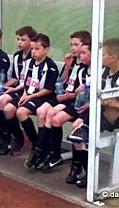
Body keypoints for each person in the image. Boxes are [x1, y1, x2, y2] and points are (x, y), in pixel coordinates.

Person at [67, 38, 119, 188]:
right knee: (76, 129)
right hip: (101, 114)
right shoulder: (104, 71)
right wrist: (84, 91)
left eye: (103, 54)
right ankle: (84, 171)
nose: (101, 57)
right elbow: (92, 89)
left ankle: (85, 127)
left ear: (113, 57)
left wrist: (116, 104)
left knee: (107, 102)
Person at [25, 31, 91, 170]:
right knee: (41, 111)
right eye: (71, 44)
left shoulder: (87, 65)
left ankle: (47, 152)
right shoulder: (72, 60)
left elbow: (82, 91)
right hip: (63, 96)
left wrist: (70, 95)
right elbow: (62, 80)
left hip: (73, 100)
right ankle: (44, 150)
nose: (72, 48)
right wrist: (67, 66)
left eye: (76, 45)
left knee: (51, 115)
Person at [3, 33, 59, 159]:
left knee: (21, 112)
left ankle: (37, 143)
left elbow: (49, 89)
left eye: (37, 49)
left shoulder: (50, 66)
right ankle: (19, 138)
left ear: (46, 50)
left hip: (42, 97)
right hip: (28, 94)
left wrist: (29, 97)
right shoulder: (29, 63)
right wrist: (24, 94)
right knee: (8, 109)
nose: (33, 52)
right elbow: (26, 82)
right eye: (32, 49)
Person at [0, 26, 37, 155]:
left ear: (31, 41)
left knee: (5, 103)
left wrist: (13, 89)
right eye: (18, 39)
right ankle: (4, 134)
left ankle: (20, 138)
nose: (19, 42)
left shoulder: (35, 57)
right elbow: (15, 78)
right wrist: (2, 87)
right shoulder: (17, 56)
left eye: (23, 39)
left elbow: (28, 82)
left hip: (28, 90)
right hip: (18, 88)